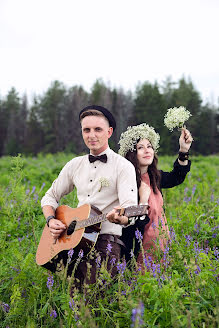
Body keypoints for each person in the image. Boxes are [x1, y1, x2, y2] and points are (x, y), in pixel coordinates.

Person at [41, 105, 139, 287]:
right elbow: (50, 197)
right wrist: (50, 219)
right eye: (86, 130)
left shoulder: (123, 166)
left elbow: (131, 209)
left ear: (109, 132)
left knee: (92, 306)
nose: (91, 135)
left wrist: (121, 218)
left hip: (105, 244)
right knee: (73, 306)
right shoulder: (74, 165)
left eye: (98, 129)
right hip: (72, 244)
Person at [119, 123, 193, 265]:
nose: (147, 151)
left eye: (149, 146)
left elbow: (176, 177)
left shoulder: (155, 176)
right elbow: (127, 220)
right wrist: (144, 199)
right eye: (140, 147)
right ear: (131, 153)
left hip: (161, 246)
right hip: (138, 250)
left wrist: (183, 149)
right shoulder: (127, 183)